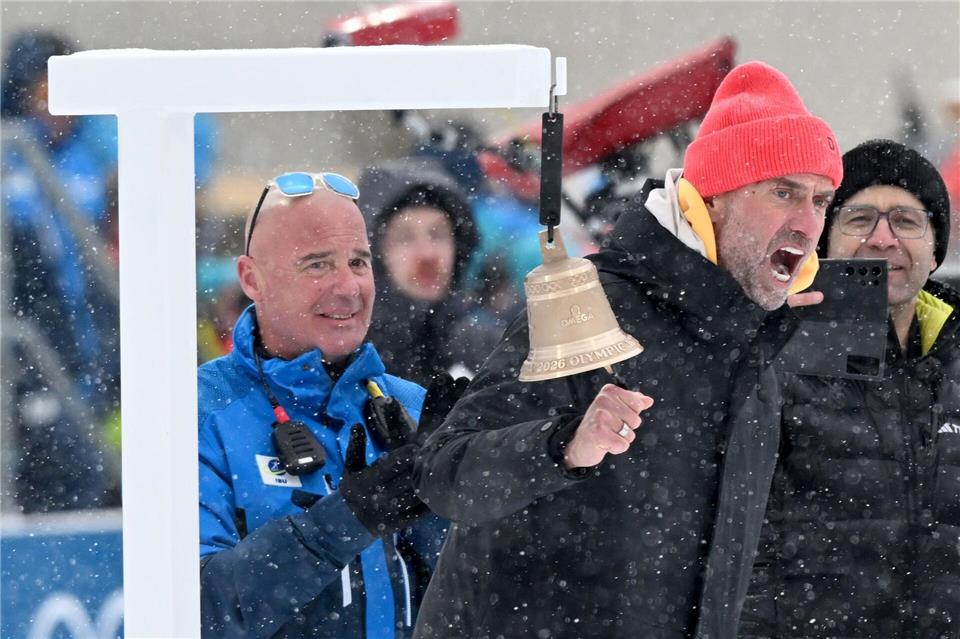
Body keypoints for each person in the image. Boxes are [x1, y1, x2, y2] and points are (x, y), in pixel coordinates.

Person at [413, 61, 842, 639]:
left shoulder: (760, 346)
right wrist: (561, 445)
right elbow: (447, 474)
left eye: (820, 199)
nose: (806, 221)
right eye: (783, 192)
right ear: (711, 201)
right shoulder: (593, 306)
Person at [197, 172, 449, 638]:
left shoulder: (409, 404)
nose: (348, 287)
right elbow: (199, 610)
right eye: (317, 265)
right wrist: (347, 519)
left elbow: (486, 593)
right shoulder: (198, 413)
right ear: (252, 279)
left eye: (358, 261)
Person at [740, 140, 959, 638]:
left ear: (935, 244)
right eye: (859, 220)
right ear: (825, 240)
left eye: (906, 221)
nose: (882, 240)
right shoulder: (769, 350)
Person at [358, 156, 502, 385]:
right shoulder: (350, 359)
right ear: (374, 254)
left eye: (438, 234)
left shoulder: (486, 346)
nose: (427, 255)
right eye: (404, 238)